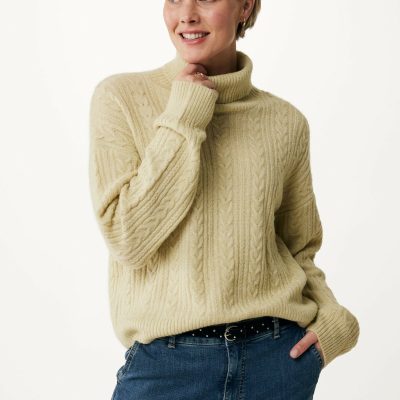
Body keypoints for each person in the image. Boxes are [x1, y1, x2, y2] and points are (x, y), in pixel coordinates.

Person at [88, 1, 360, 399]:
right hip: (166, 368)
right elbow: (129, 238)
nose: (187, 14)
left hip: (275, 361)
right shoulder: (121, 98)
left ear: (245, 6)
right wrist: (184, 114)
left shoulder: (285, 122)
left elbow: (298, 248)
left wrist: (333, 321)